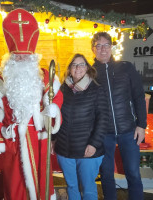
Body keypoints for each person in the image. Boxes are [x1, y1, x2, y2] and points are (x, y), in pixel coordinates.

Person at [0, 9, 63, 200]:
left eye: (25, 55)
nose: (21, 58)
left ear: (32, 56)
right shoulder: (2, 79)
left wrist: (53, 109)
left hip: (38, 138)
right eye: (17, 55)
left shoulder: (44, 76)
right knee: (14, 183)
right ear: (10, 57)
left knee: (40, 181)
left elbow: (56, 97)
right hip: (13, 141)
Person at [92, 32, 147, 200]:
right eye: (98, 46)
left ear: (111, 47)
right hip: (103, 133)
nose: (103, 49)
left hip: (128, 131)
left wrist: (141, 125)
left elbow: (138, 95)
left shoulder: (126, 67)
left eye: (106, 45)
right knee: (106, 174)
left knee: (133, 173)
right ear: (93, 50)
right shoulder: (90, 72)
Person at [54, 54, 108, 200]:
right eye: (74, 64)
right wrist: (54, 140)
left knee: (88, 188)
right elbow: (55, 116)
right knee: (72, 187)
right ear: (69, 68)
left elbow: (103, 119)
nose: (78, 68)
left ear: (87, 68)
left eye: (82, 64)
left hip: (87, 149)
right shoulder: (61, 89)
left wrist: (94, 144)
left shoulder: (96, 89)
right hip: (65, 149)